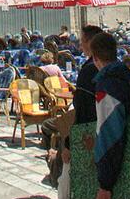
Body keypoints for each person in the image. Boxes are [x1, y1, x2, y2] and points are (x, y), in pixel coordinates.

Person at [89, 31, 130, 199]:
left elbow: (109, 134)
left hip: (122, 169)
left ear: (95, 57)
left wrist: (105, 185)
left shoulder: (107, 85)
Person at [41, 24, 103, 186]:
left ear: (90, 43)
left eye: (82, 41)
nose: (79, 45)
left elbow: (82, 111)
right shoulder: (110, 66)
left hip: (89, 132)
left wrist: (69, 143)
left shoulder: (89, 70)